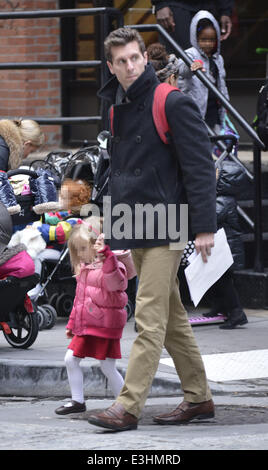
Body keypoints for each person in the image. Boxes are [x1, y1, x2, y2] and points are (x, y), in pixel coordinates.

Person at [87, 27, 217, 432]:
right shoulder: (115, 107)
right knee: (171, 317)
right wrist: (107, 222)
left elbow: (199, 166)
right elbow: (117, 173)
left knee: (148, 317)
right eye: (121, 61)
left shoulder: (170, 101)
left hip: (168, 223)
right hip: (134, 223)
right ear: (111, 65)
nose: (129, 66)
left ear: (145, 57)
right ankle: (199, 398)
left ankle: (127, 406)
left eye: (135, 58)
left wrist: (205, 227)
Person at [55, 216, 128, 415]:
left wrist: (107, 258)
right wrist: (72, 324)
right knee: (71, 360)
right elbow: (79, 302)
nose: (79, 254)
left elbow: (116, 283)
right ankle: (77, 400)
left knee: (107, 366)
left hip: (105, 327)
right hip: (87, 326)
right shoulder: (84, 270)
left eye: (82, 248)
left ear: (94, 244)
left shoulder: (112, 264)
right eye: (76, 250)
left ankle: (125, 404)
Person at [177, 10, 229, 132]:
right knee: (198, 143)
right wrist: (193, 66)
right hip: (195, 110)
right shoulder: (190, 53)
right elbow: (181, 69)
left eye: (211, 40)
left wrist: (225, 103)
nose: (208, 44)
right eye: (203, 39)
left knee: (215, 142)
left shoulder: (218, 58)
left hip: (214, 109)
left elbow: (222, 82)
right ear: (196, 38)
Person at [151, 0, 234, 50]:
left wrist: (225, 11)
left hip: (210, 7)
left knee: (209, 66)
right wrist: (160, 3)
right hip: (175, 6)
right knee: (177, 64)